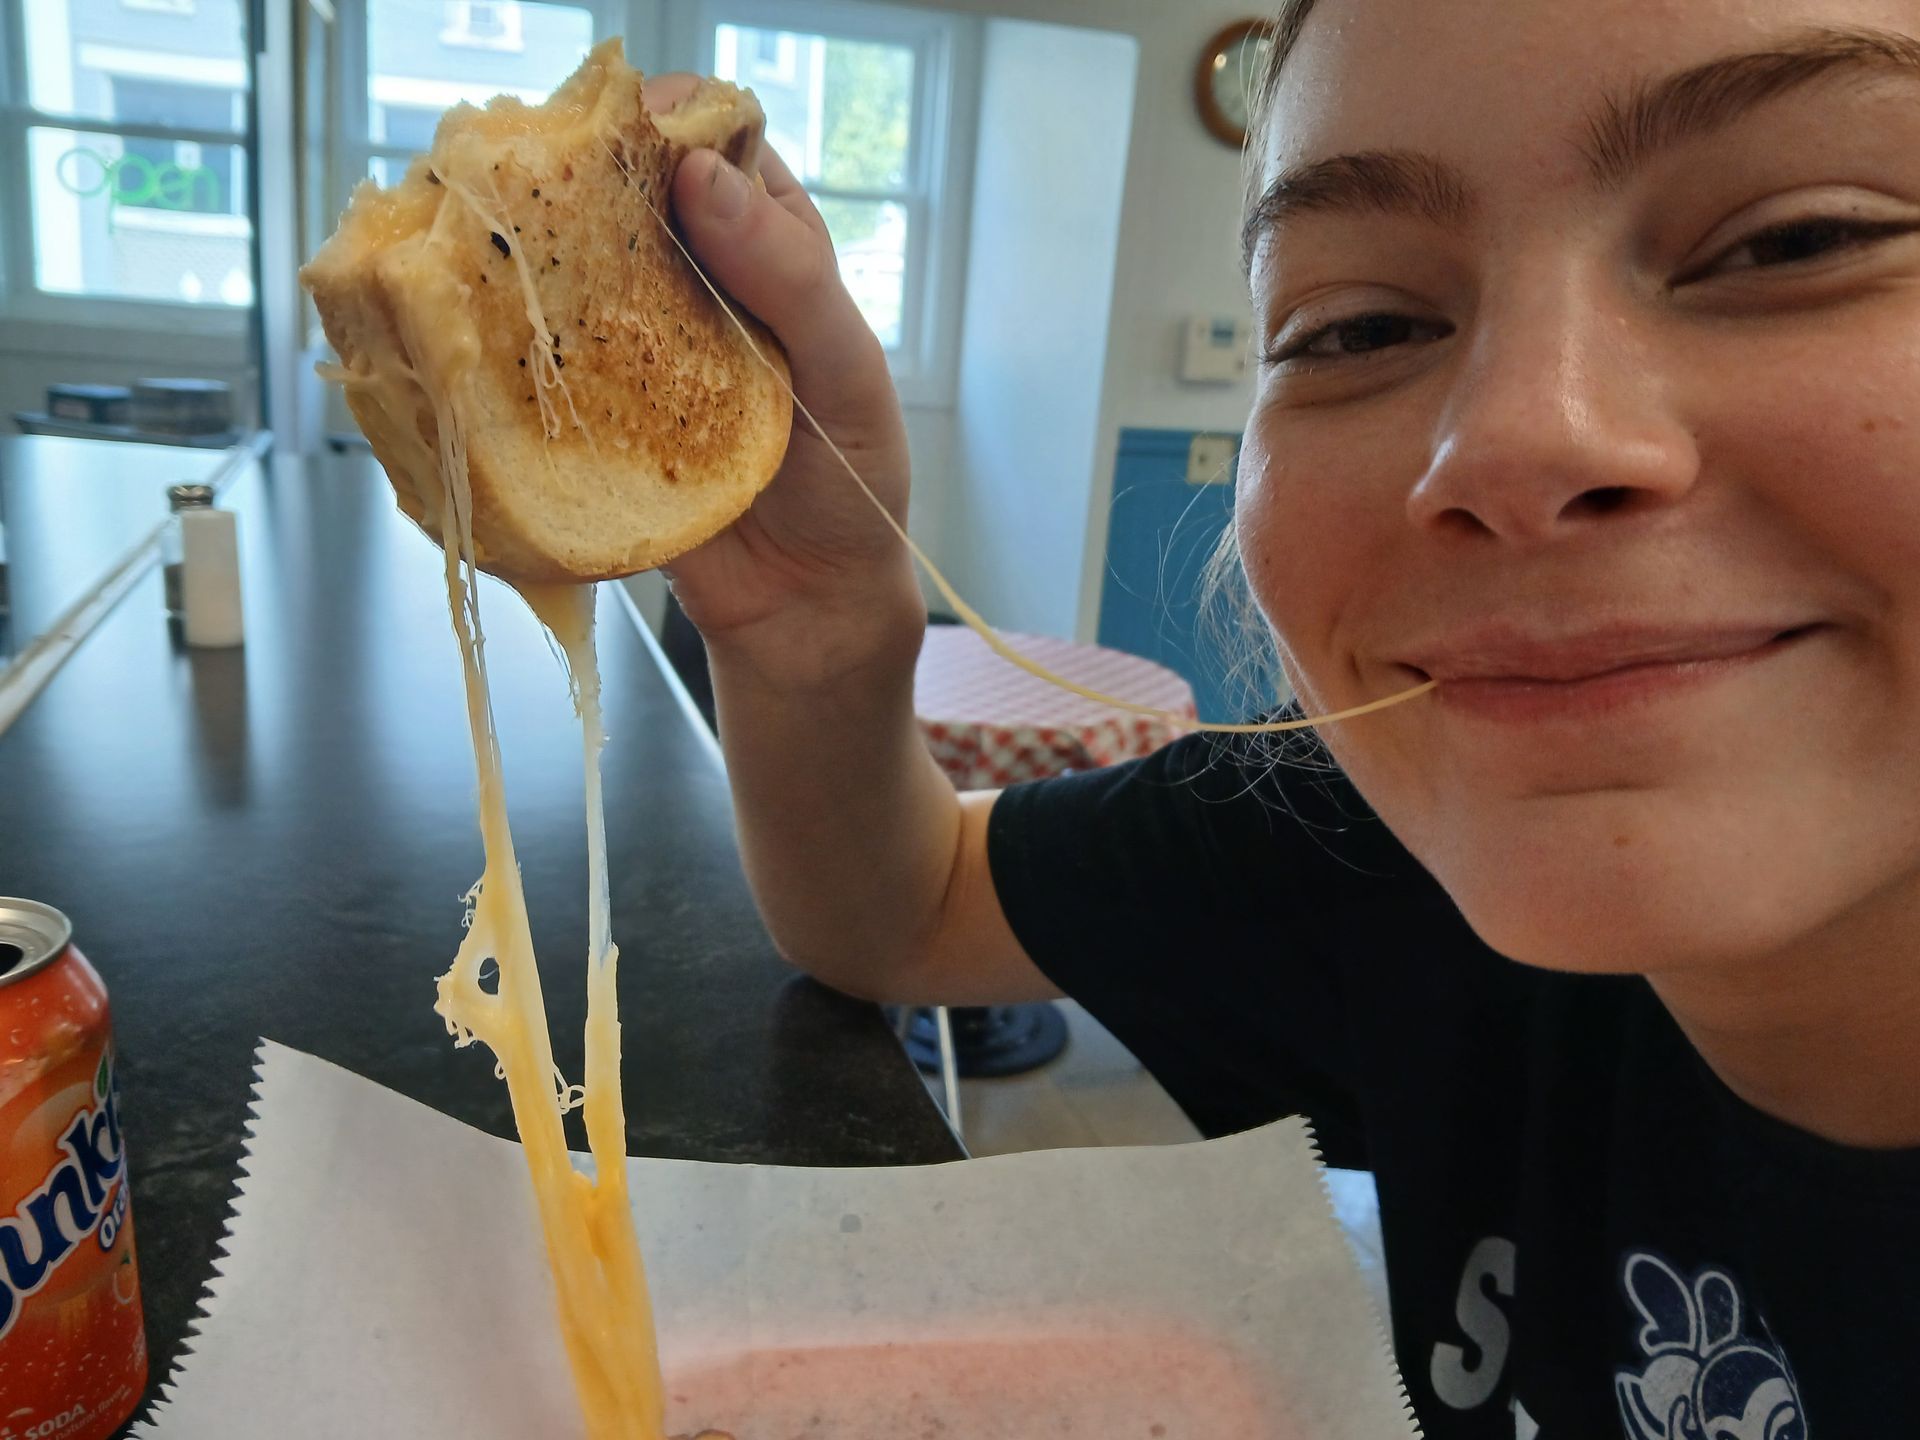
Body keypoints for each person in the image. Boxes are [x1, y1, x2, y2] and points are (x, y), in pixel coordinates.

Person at [651, 0, 1920, 1432]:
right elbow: (898, 905)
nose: (1515, 436)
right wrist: (820, 614)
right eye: (1356, 324)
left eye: (1798, 239)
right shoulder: (1377, 843)